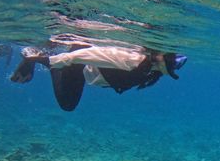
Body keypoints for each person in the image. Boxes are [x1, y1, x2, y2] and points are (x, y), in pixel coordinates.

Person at [10, 43, 187, 111]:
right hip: (79, 63)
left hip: (86, 69)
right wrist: (44, 60)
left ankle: (42, 58)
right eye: (172, 60)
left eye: (177, 62)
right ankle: (37, 56)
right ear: (160, 54)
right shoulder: (133, 60)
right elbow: (87, 55)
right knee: (67, 104)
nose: (176, 63)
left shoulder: (153, 70)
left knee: (69, 102)